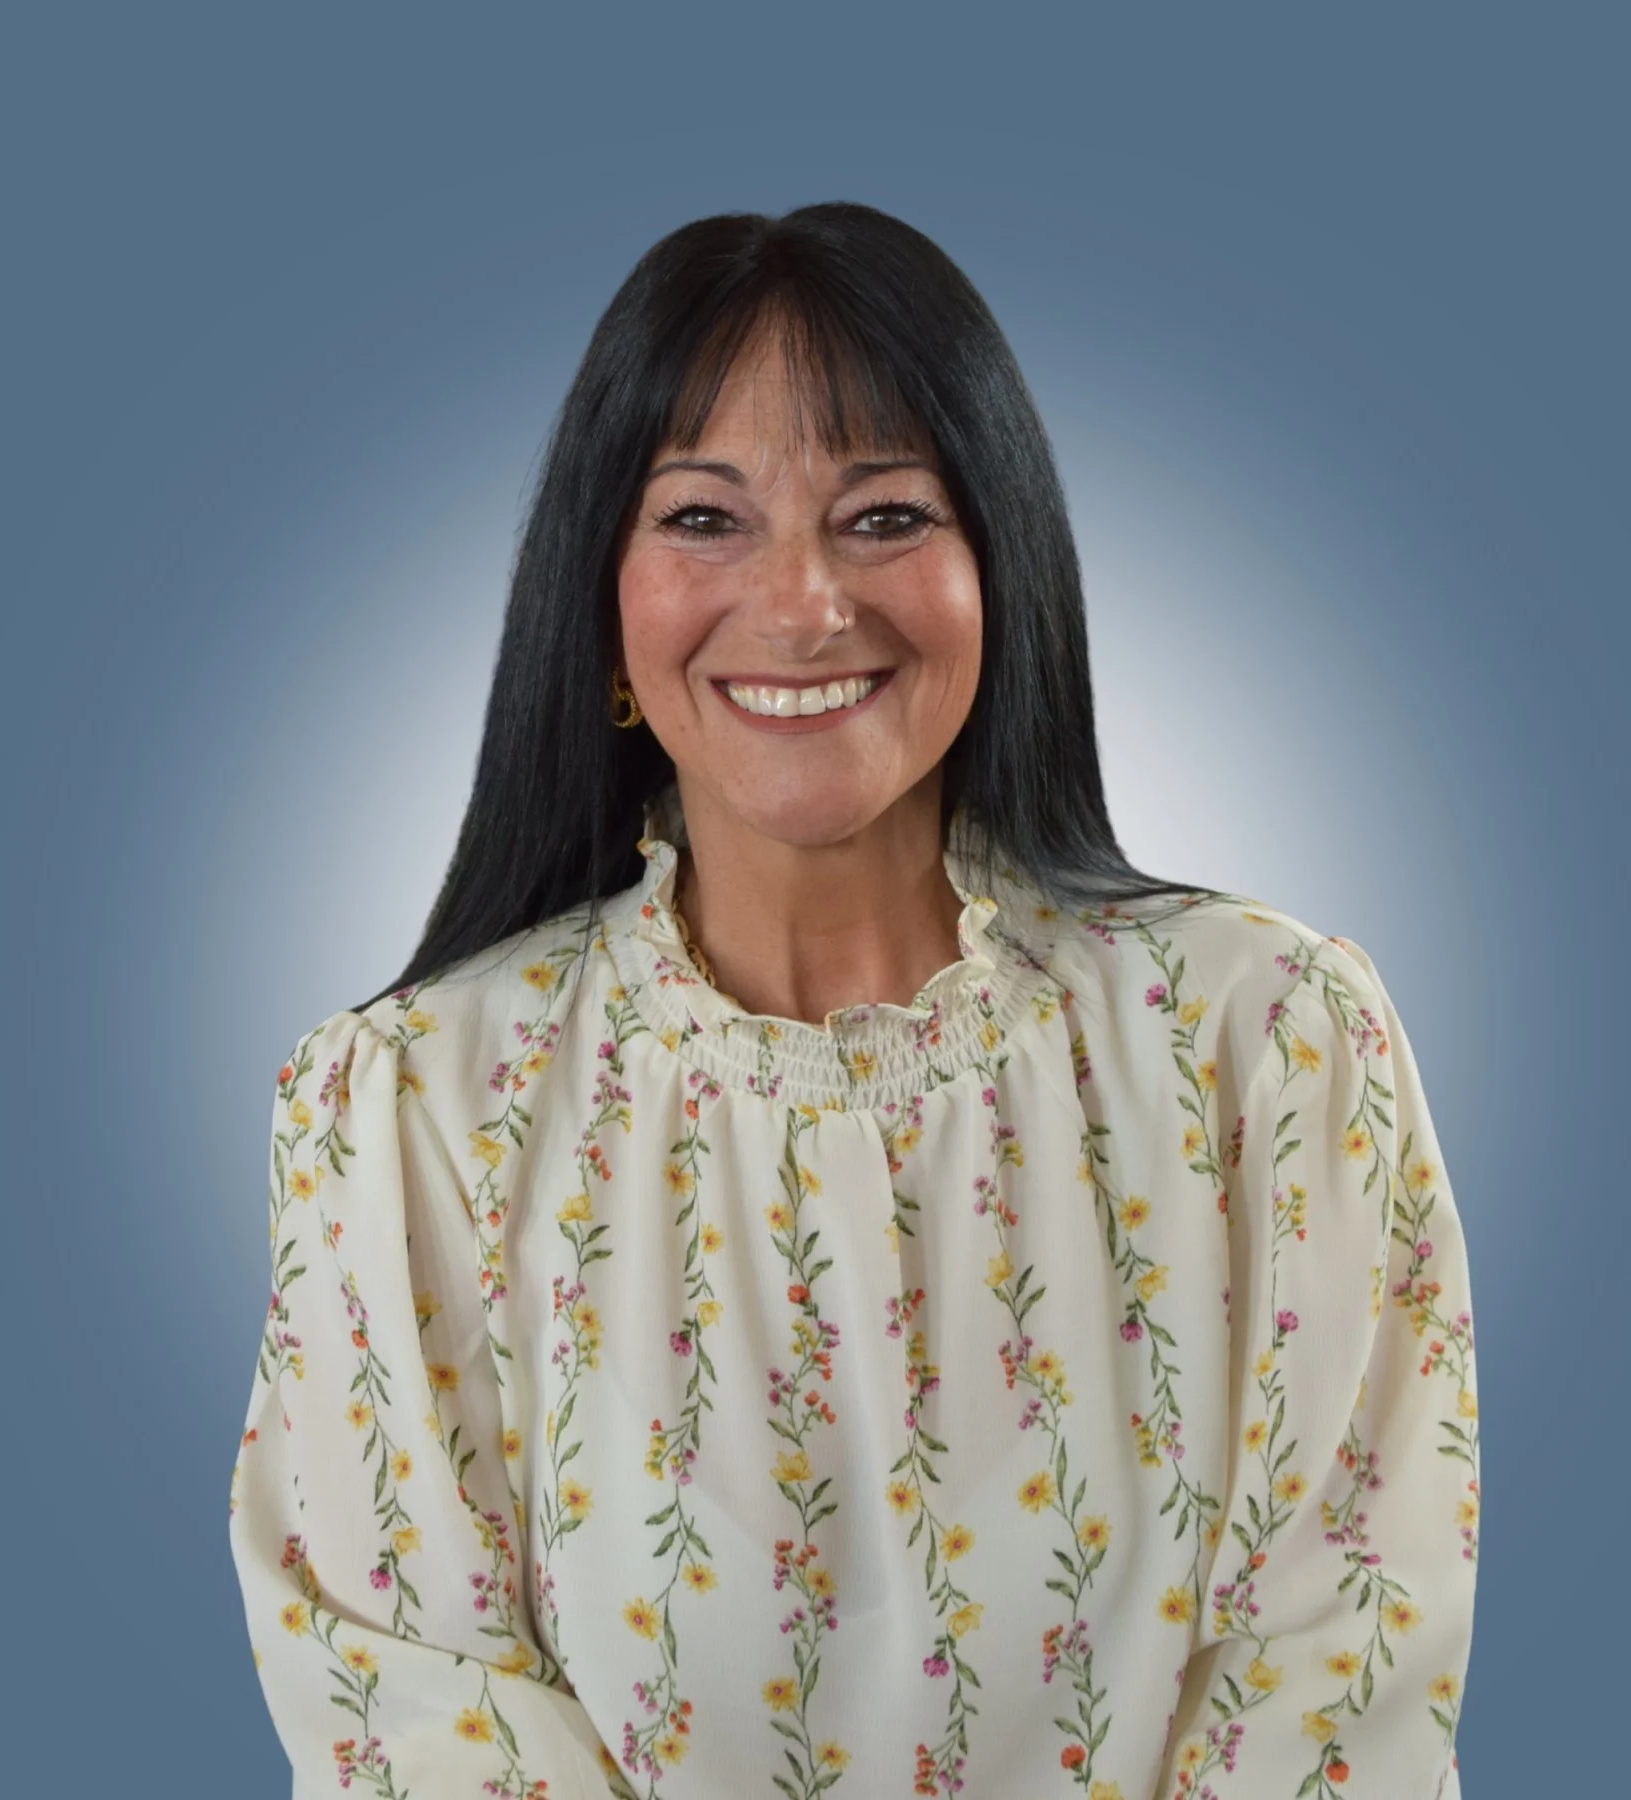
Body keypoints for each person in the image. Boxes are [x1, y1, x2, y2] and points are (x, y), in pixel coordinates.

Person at [229, 202, 1478, 1800]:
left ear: (998, 565)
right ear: (603, 601)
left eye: (883, 516)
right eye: (705, 518)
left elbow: (1337, 1667)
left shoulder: (1277, 1046)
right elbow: (406, 1701)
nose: (805, 602)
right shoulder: (405, 1114)